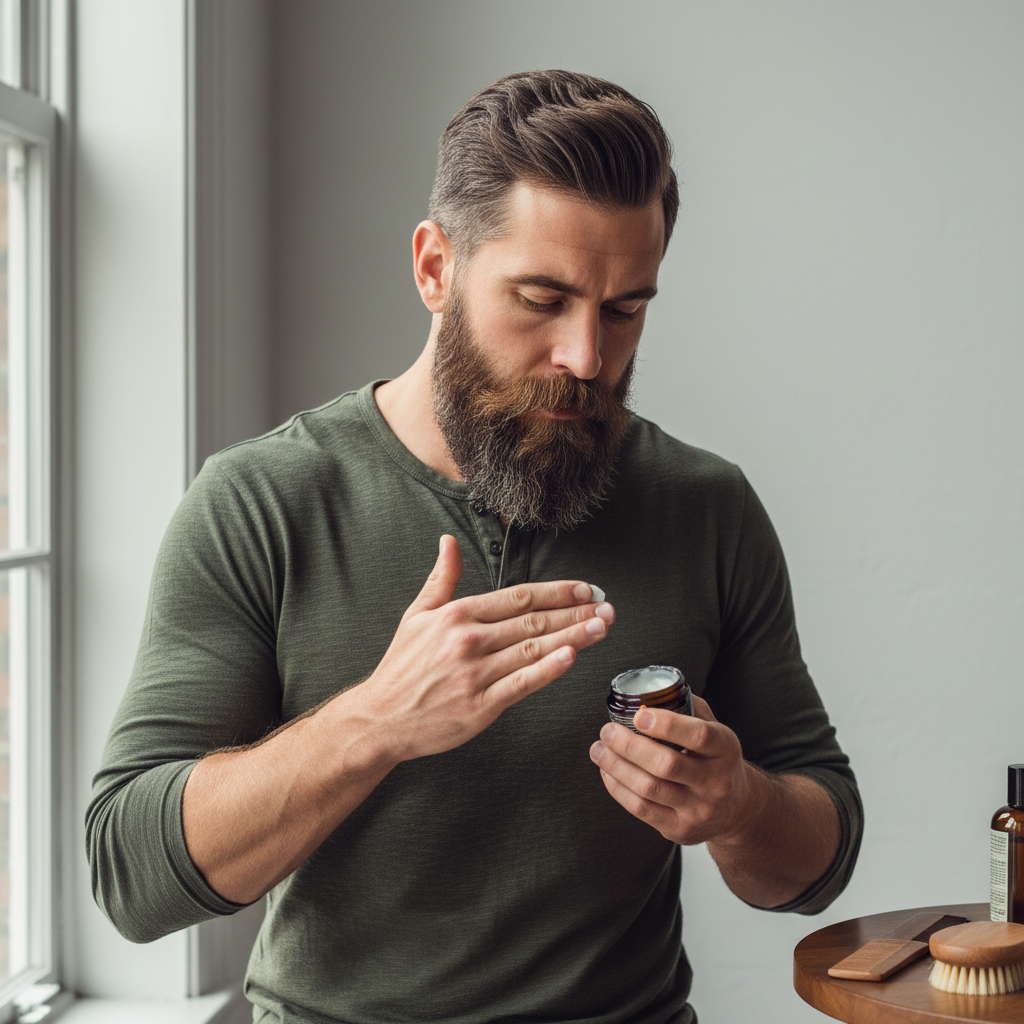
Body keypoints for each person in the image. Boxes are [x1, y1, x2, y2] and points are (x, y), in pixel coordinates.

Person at [88, 70, 862, 1024]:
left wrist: (737, 804)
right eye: (542, 299)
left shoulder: (706, 508)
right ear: (434, 268)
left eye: (624, 309)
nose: (587, 356)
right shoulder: (261, 502)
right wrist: (374, 722)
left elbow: (821, 860)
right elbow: (131, 876)